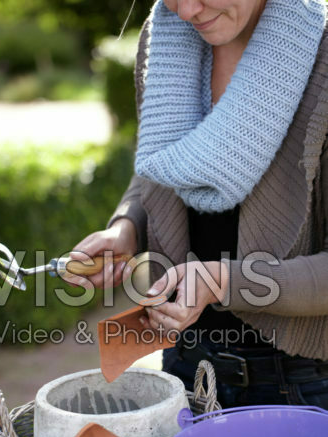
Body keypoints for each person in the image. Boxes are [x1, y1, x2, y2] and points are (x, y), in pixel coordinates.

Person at [64, 0, 328, 409]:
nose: (187, 11)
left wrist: (222, 282)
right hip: (185, 367)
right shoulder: (164, 36)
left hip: (302, 385)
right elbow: (160, 163)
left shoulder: (322, 60)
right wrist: (127, 227)